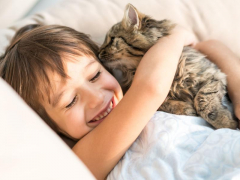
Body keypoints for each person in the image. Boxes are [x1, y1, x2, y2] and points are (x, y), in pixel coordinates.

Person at [0, 24, 239, 180]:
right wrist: (175, 36)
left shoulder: (139, 81)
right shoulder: (80, 159)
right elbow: (150, 88)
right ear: (49, 128)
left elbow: (207, 47)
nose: (96, 98)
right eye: (70, 101)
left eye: (95, 75)